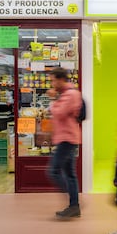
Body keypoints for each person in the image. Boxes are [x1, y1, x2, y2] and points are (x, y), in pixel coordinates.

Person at [46, 67, 82, 220]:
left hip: (67, 139)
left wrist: (53, 100)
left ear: (61, 80)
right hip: (66, 138)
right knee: (70, 174)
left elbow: (59, 113)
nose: (52, 83)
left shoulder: (71, 94)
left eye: (53, 80)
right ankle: (74, 206)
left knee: (53, 171)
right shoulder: (65, 94)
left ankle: (74, 204)